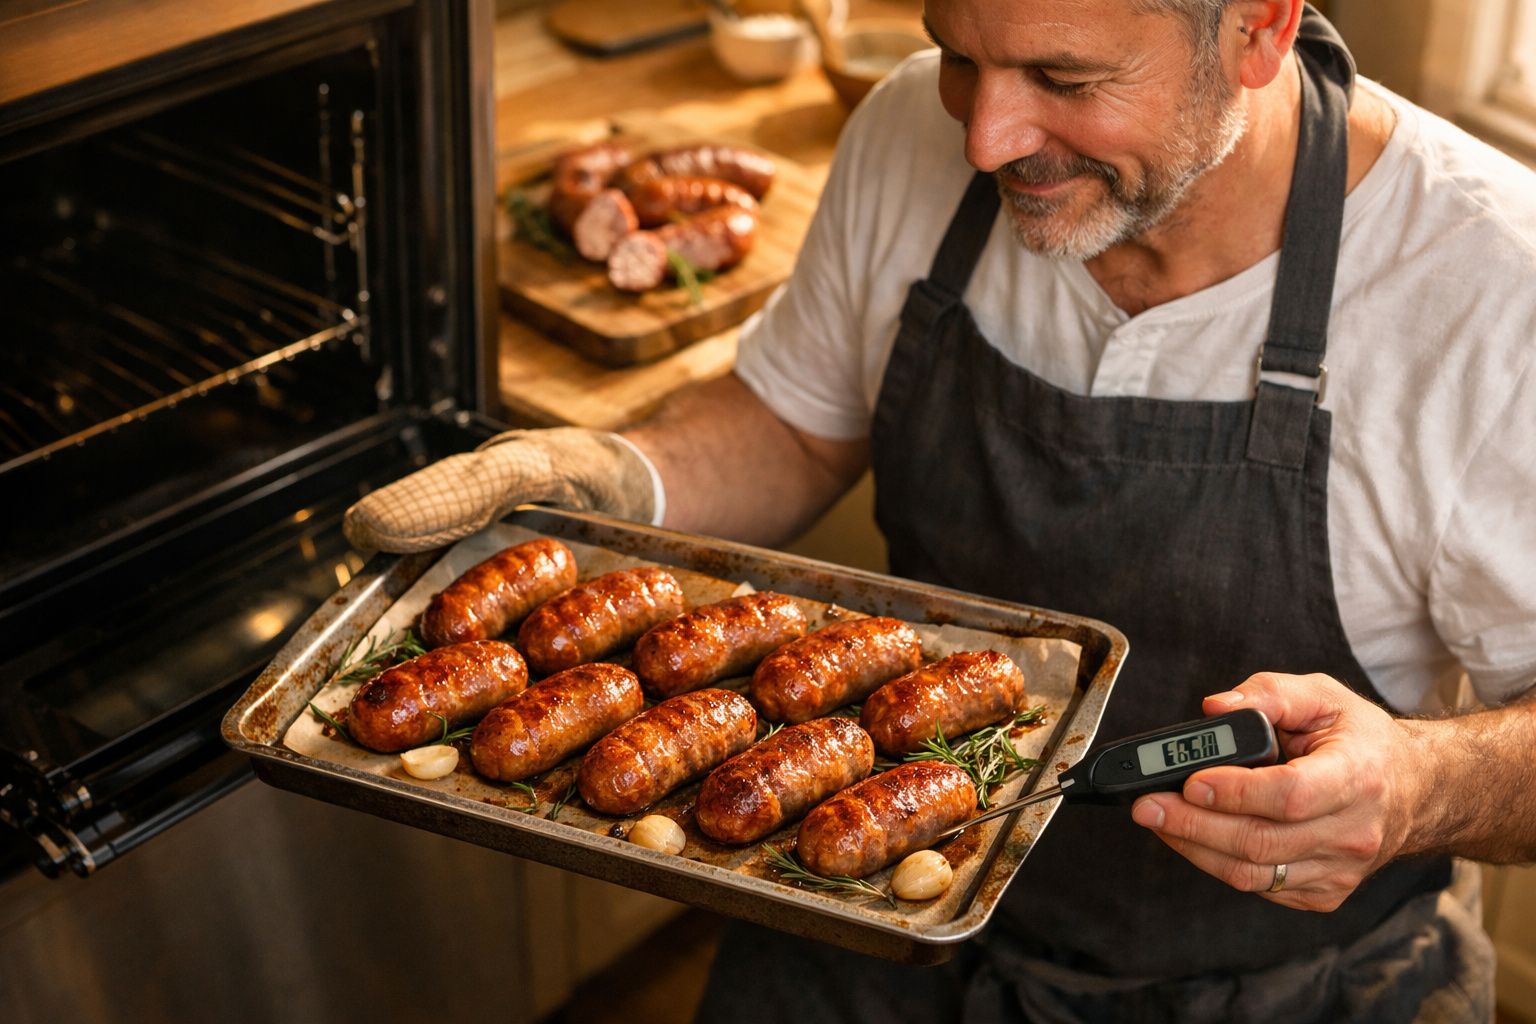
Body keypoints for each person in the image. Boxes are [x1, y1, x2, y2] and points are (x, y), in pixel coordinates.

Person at [344, 0, 1536, 1018]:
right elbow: (794, 422)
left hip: (1274, 992)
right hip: (852, 924)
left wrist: (1423, 785)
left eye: (1064, 79)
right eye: (960, 52)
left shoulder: (1493, 290)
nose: (983, 136)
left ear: (1259, 29)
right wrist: (611, 480)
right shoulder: (911, 124)